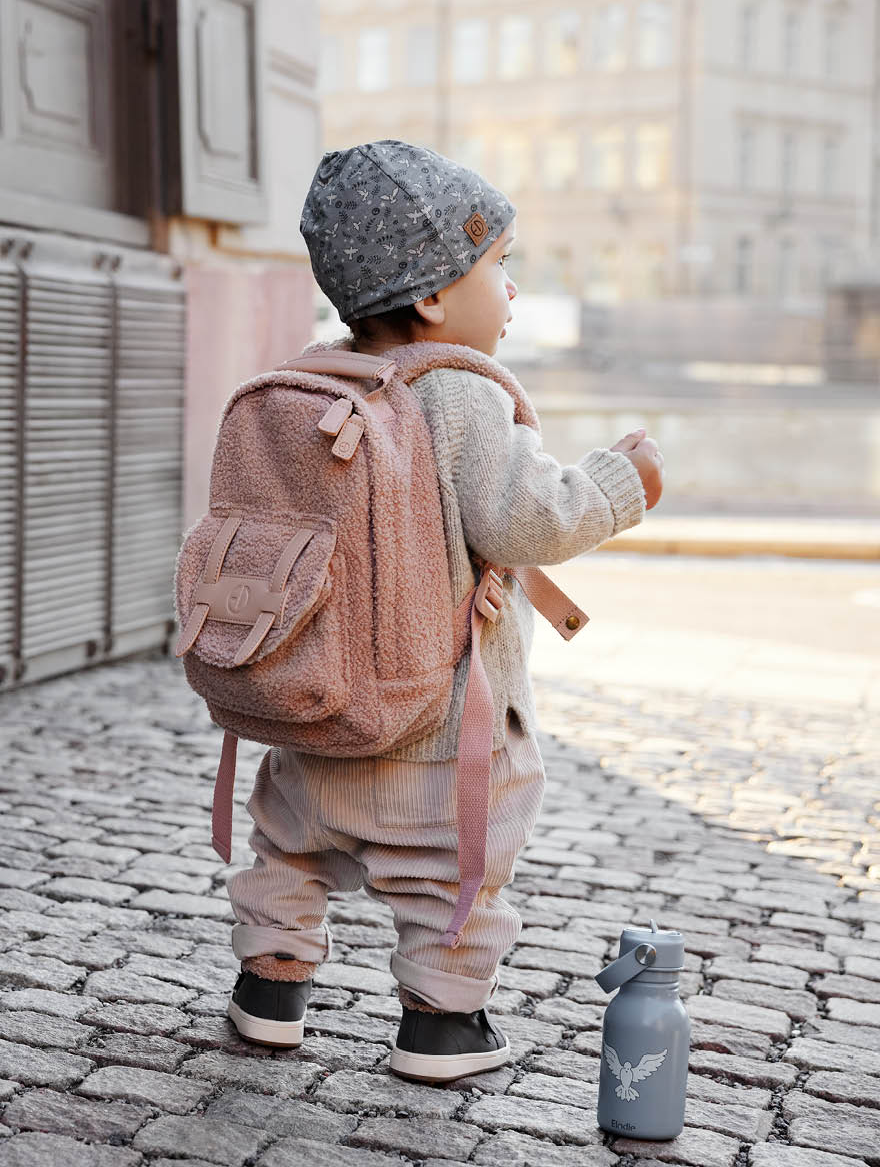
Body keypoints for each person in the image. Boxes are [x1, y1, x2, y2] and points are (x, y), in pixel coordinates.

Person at [222, 140, 665, 1083]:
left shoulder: (315, 380)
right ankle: (442, 1027)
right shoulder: (458, 391)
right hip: (434, 725)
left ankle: (269, 991)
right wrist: (621, 482)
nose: (510, 293)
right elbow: (528, 517)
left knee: (288, 853)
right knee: (451, 880)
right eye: (498, 266)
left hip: (312, 708)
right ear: (432, 295)